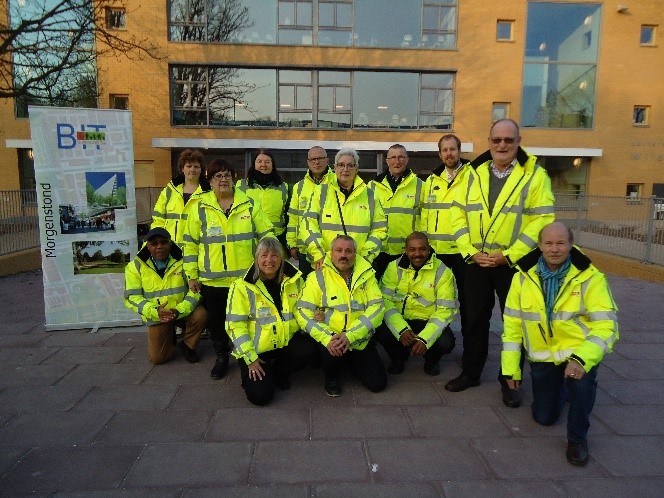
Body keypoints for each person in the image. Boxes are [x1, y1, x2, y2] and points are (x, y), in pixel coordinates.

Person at [446, 118, 555, 409]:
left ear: (519, 141)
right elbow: (456, 214)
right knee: (474, 320)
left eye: (509, 140)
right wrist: (469, 251)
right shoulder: (473, 173)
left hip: (513, 264)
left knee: (514, 324)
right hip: (477, 261)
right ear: (489, 142)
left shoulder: (535, 175)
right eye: (497, 140)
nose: (502, 145)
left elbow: (542, 220)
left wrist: (511, 254)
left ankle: (510, 380)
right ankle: (471, 373)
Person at [502, 222, 619, 466]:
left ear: (571, 244)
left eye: (560, 243)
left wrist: (582, 359)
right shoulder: (521, 277)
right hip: (543, 356)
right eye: (548, 243)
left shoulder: (591, 277)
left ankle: (577, 439)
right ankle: (563, 388)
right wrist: (511, 369)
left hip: (579, 352)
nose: (554, 249)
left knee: (581, 388)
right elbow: (512, 327)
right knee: (544, 417)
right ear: (540, 246)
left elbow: (607, 326)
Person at [183, 158, 275, 380]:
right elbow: (190, 244)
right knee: (217, 323)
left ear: (234, 178)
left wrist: (268, 262)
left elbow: (267, 235)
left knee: (247, 319)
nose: (222, 179)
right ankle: (222, 358)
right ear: (210, 180)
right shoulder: (199, 207)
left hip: (245, 279)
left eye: (226, 175)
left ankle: (248, 353)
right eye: (217, 176)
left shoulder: (249, 204)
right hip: (213, 281)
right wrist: (192, 275)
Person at [226, 237, 318, 406]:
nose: (269, 260)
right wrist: (250, 358)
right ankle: (249, 371)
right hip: (256, 348)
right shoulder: (241, 286)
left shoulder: (296, 280)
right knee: (260, 397)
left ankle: (280, 372)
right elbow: (235, 326)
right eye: (264, 255)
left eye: (275, 255)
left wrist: (316, 313)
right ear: (256, 258)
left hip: (286, 340)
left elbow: (305, 308)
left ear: (281, 258)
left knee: (310, 350)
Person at [296, 235, 387, 397]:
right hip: (331, 339)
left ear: (355, 254)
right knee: (330, 353)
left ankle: (350, 362)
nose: (343, 255)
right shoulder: (317, 276)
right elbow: (302, 311)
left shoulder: (367, 275)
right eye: (338, 250)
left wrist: (350, 336)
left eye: (348, 251)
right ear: (331, 253)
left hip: (358, 339)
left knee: (378, 384)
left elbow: (377, 308)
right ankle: (331, 376)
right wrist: (327, 337)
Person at [376, 232, 458, 376]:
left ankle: (431, 361)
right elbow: (384, 300)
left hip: (428, 322)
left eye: (422, 249)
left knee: (446, 342)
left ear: (429, 249)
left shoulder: (443, 271)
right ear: (406, 250)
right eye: (412, 249)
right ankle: (398, 358)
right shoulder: (393, 267)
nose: (417, 254)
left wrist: (425, 339)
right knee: (380, 332)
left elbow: (446, 310)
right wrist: (401, 330)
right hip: (401, 319)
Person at [124, 227, 207, 365]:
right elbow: (132, 297)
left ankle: (188, 345)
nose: (159, 246)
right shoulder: (135, 266)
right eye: (154, 243)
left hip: (181, 310)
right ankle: (169, 335)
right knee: (158, 359)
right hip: (157, 315)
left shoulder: (185, 261)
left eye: (163, 242)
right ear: (147, 246)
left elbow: (196, 290)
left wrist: (180, 310)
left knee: (201, 314)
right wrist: (155, 311)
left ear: (170, 243)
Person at [420, 134, 471, 346]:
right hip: (437, 252)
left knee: (468, 303)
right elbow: (424, 215)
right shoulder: (431, 181)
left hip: (463, 252)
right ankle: (436, 342)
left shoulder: (473, 177)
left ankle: (469, 348)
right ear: (440, 154)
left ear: (459, 151)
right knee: (435, 300)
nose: (449, 154)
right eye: (445, 150)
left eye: (452, 149)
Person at [300, 147, 387, 270]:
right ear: (335, 168)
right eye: (341, 165)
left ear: (356, 169)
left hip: (359, 265)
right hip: (325, 264)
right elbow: (308, 224)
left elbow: (380, 230)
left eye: (350, 165)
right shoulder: (320, 192)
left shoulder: (370, 196)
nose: (345, 169)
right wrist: (318, 253)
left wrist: (366, 257)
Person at [368, 144, 423, 280]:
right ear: (387, 161)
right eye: (393, 157)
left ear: (407, 159)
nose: (397, 161)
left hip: (408, 253)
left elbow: (427, 219)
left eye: (401, 157)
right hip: (379, 253)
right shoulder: (372, 186)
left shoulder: (421, 186)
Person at [286, 146, 335, 276]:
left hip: (330, 249)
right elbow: (293, 218)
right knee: (308, 286)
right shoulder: (299, 187)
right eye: (313, 159)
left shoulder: (336, 183)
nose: (316, 162)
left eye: (320, 158)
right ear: (308, 162)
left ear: (327, 161)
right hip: (305, 249)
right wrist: (292, 243)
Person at [151, 149, 210, 247]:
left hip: (198, 248)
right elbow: (158, 220)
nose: (192, 170)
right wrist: (158, 242)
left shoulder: (209, 193)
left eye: (196, 167)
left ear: (201, 170)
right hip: (171, 248)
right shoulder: (169, 191)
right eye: (189, 166)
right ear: (182, 169)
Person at [236, 149, 289, 249]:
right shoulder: (241, 186)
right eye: (259, 161)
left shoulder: (283, 187)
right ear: (254, 164)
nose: (263, 165)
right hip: (249, 239)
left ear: (273, 165)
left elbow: (289, 216)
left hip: (277, 240)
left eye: (267, 162)